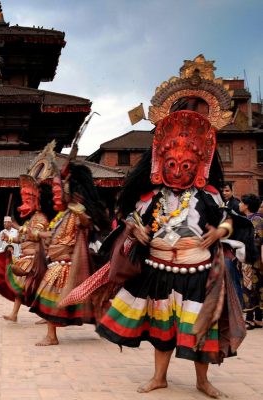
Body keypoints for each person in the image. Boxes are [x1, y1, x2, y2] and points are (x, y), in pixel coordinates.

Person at [72, 110, 245, 398]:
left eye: (186, 165)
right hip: (158, 271)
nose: (178, 171)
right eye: (172, 164)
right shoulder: (149, 198)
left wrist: (219, 232)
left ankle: (202, 382)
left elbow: (230, 219)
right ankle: (159, 377)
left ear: (199, 166)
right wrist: (135, 231)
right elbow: (130, 220)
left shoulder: (209, 195)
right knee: (161, 329)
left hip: (197, 272)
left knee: (199, 329)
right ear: (160, 164)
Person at [29, 162, 108, 346]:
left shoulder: (75, 213)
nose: (56, 195)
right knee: (83, 299)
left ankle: (52, 336)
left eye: (60, 191)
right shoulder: (62, 216)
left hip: (66, 265)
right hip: (56, 261)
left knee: (49, 295)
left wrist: (79, 210)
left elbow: (88, 224)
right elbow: (51, 236)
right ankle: (101, 326)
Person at [0, 173, 50, 322]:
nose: (23, 205)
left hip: (35, 259)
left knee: (34, 288)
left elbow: (36, 235)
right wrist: (9, 238)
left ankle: (46, 315)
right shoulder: (30, 220)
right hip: (25, 257)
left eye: (27, 201)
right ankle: (15, 314)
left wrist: (16, 226)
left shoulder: (41, 218)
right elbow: (22, 239)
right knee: (21, 288)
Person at [239, 193, 263, 329]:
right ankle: (258, 318)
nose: (239, 205)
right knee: (255, 287)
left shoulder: (255, 220)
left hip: (252, 260)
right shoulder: (251, 219)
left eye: (241, 203)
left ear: (246, 205)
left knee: (250, 288)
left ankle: (250, 319)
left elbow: (258, 239)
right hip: (251, 259)